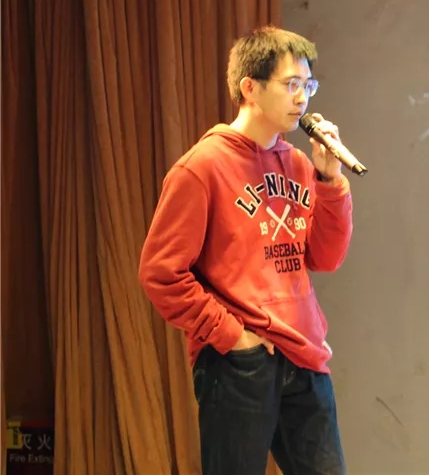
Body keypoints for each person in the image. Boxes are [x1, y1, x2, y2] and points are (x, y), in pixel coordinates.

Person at [138, 25, 353, 475]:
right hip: (241, 363)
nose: (302, 98)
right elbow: (161, 273)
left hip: (304, 356)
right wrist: (233, 336)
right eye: (291, 84)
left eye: (308, 85)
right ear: (249, 88)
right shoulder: (202, 167)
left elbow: (325, 257)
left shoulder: (298, 164)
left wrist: (329, 180)